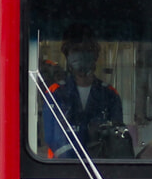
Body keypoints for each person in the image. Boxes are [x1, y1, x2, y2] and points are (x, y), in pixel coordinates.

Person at [44, 24, 127, 158]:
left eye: (86, 50)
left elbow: (116, 138)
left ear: (95, 55)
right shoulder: (55, 94)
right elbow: (52, 138)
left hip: (101, 173)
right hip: (61, 173)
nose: (81, 55)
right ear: (67, 56)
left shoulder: (110, 95)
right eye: (75, 50)